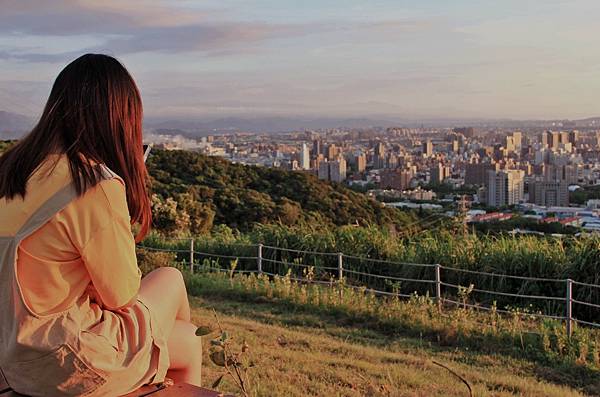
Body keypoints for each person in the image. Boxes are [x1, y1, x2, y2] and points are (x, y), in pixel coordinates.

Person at [0, 54, 201, 396]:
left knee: (184, 339)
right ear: (120, 120)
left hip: (15, 358)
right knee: (172, 281)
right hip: (68, 363)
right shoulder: (93, 183)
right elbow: (121, 295)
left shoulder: (12, 173)